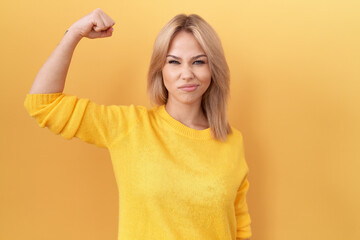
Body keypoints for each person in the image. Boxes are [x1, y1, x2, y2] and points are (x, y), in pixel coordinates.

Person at [24, 8, 252, 240]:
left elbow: (239, 228)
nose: (186, 73)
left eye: (198, 62)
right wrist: (73, 33)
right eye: (174, 62)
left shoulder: (232, 142)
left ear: (213, 69)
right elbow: (44, 104)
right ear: (160, 69)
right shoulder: (129, 127)